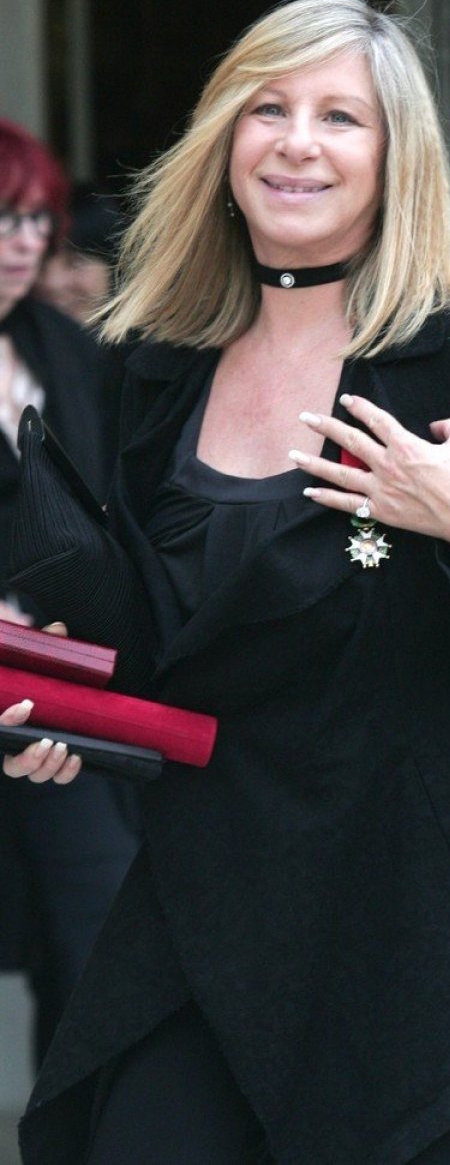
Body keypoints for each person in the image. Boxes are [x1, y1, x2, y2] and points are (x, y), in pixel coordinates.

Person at [2, 0, 450, 1165]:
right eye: (267, 108)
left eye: (341, 117)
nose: (298, 141)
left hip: (433, 947)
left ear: (396, 161)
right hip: (211, 915)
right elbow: (168, 642)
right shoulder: (163, 365)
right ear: (225, 143)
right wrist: (64, 713)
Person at [0, 120, 138, 1068]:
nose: (23, 243)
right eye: (1, 218)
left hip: (56, 694)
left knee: (93, 939)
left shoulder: (62, 346)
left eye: (35, 220)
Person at [35, 186, 123, 324]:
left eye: (76, 263)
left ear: (114, 269)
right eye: (39, 262)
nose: (52, 283)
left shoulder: (154, 342)